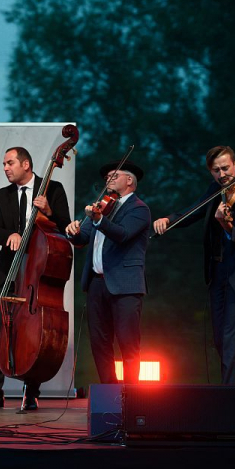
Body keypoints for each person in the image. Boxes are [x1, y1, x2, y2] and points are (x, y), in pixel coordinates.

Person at [153, 146, 235, 385]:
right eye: (216, 170)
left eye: (225, 168)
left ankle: (228, 401)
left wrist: (226, 224)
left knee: (230, 339)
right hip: (218, 273)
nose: (222, 174)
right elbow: (192, 211)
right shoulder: (215, 190)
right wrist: (169, 219)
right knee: (221, 340)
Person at [0, 147, 71, 410]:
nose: (5, 168)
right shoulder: (1, 195)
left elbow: (66, 228)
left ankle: (31, 392)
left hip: (38, 270)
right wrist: (9, 236)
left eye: (10, 162)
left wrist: (48, 211)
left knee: (34, 333)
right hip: (8, 272)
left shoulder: (53, 189)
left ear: (26, 164)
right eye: (4, 163)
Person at [65, 160, 150, 384]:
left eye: (114, 176)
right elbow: (82, 239)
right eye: (107, 177)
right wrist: (73, 231)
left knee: (128, 342)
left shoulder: (139, 209)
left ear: (129, 180)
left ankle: (131, 397)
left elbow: (122, 234)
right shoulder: (100, 206)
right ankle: (110, 392)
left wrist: (99, 220)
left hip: (125, 285)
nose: (108, 180)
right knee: (100, 342)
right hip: (97, 283)